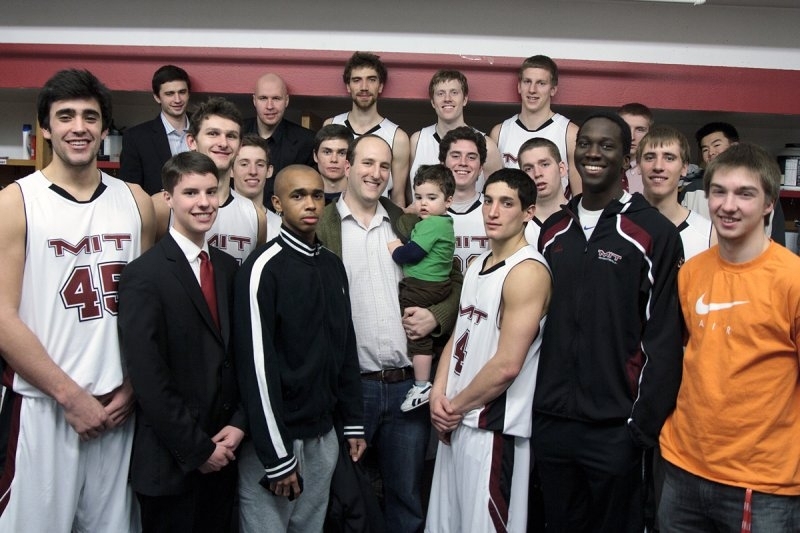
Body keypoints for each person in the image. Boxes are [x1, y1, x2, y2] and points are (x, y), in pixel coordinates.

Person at [0, 68, 155, 532]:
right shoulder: (15, 201)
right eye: (64, 116)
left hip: (118, 409)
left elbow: (148, 310)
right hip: (46, 407)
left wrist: (133, 386)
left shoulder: (136, 201)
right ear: (45, 127)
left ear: (105, 129)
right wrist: (69, 397)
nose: (79, 127)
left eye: (90, 116)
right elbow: (3, 316)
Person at [533, 112, 684, 533]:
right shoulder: (553, 230)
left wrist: (640, 426)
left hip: (616, 427)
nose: (593, 154)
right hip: (551, 420)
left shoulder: (651, 233)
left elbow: (665, 335)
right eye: (586, 144)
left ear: (626, 157)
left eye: (606, 145)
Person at [316, 134, 461, 533]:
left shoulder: (408, 220)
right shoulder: (322, 226)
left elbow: (456, 280)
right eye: (367, 163)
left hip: (406, 390)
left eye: (384, 166)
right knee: (348, 504)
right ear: (347, 165)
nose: (375, 173)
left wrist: (437, 315)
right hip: (351, 390)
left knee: (407, 500)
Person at [659, 143, 800, 531]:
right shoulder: (691, 272)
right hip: (683, 467)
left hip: (762, 484)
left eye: (745, 194)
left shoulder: (792, 279)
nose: (728, 205)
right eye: (719, 191)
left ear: (769, 203)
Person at [234, 164, 366, 532]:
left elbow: (345, 346)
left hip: (324, 435)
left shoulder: (332, 265)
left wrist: (353, 422)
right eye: (298, 195)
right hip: (277, 438)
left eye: (317, 195)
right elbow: (256, 367)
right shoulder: (262, 268)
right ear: (277, 203)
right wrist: (277, 457)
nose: (310, 203)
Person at [119, 151, 243, 532]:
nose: (204, 202)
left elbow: (238, 356)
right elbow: (148, 376)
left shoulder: (227, 267)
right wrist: (198, 449)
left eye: (211, 191)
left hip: (227, 453)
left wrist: (239, 425)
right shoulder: (144, 274)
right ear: (168, 198)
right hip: (172, 464)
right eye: (191, 192)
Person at [426, 168, 551, 533]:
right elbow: (457, 336)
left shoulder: (527, 271)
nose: (493, 211)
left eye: (507, 203)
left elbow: (508, 365)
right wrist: (438, 395)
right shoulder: (479, 261)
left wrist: (455, 407)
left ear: (528, 212)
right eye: (488, 201)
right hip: (457, 421)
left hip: (493, 429)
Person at [153, 97, 267, 263]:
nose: (223, 143)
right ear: (192, 141)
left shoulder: (255, 216)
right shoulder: (162, 207)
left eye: (231, 136)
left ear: (240, 147)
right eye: (213, 133)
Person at [388, 164, 456, 412]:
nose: (423, 204)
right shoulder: (441, 222)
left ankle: (421, 384)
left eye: (431, 198)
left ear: (448, 201)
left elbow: (411, 253)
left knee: (415, 330)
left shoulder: (432, 225)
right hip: (435, 284)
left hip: (422, 287)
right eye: (418, 197)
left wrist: (395, 249)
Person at [325, 52, 410, 207]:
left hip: (379, 222)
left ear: (381, 86)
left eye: (371, 80)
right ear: (348, 86)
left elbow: (398, 197)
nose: (364, 87)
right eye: (357, 80)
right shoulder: (331, 124)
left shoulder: (397, 137)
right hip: (335, 219)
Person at [681, 121, 785, 245]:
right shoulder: (691, 191)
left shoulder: (764, 190)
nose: (711, 153)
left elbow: (777, 243)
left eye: (716, 145)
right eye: (705, 149)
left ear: (735, 146)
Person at [490, 55, 580, 196]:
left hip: (554, 217)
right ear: (519, 86)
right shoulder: (500, 132)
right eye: (527, 82)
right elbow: (493, 190)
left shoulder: (570, 133)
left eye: (541, 83)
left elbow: (579, 197)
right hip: (513, 217)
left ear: (553, 89)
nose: (532, 89)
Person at [408, 70, 503, 203]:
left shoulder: (487, 145)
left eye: (454, 92)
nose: (447, 98)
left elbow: (499, 195)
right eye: (440, 93)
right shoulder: (417, 141)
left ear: (464, 99)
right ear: (432, 102)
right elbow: (408, 193)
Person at [639, 125, 714, 260]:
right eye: (650, 157)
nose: (658, 166)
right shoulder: (617, 223)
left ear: (684, 167)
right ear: (639, 165)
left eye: (669, 158)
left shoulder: (707, 233)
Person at [243, 73, 316, 204]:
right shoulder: (236, 135)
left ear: (286, 101)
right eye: (263, 98)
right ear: (254, 100)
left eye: (276, 98)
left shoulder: (307, 141)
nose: (270, 106)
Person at [120, 64, 192, 194]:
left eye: (182, 92)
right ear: (157, 97)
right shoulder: (136, 138)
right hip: (158, 212)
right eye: (169, 94)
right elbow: (130, 192)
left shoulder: (205, 130)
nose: (177, 99)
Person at [439, 126, 490, 274]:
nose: (463, 162)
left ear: (480, 167)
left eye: (471, 157)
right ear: (443, 163)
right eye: (455, 155)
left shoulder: (495, 211)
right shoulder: (425, 210)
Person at [518, 137, 568, 245]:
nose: (537, 173)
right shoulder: (515, 225)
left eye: (545, 164)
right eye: (528, 169)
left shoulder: (580, 218)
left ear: (561, 169)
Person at [232, 134, 282, 241]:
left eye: (260, 164)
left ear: (269, 171)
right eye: (244, 164)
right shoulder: (214, 219)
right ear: (231, 170)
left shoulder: (281, 228)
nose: (253, 171)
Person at [313, 124, 354, 204]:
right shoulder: (303, 199)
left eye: (342, 153)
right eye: (327, 152)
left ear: (351, 158)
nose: (334, 159)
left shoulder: (361, 199)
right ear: (315, 156)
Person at [617, 102, 653, 195]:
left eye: (640, 130)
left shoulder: (654, 173)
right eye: (625, 128)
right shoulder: (601, 168)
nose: (632, 137)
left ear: (649, 134)